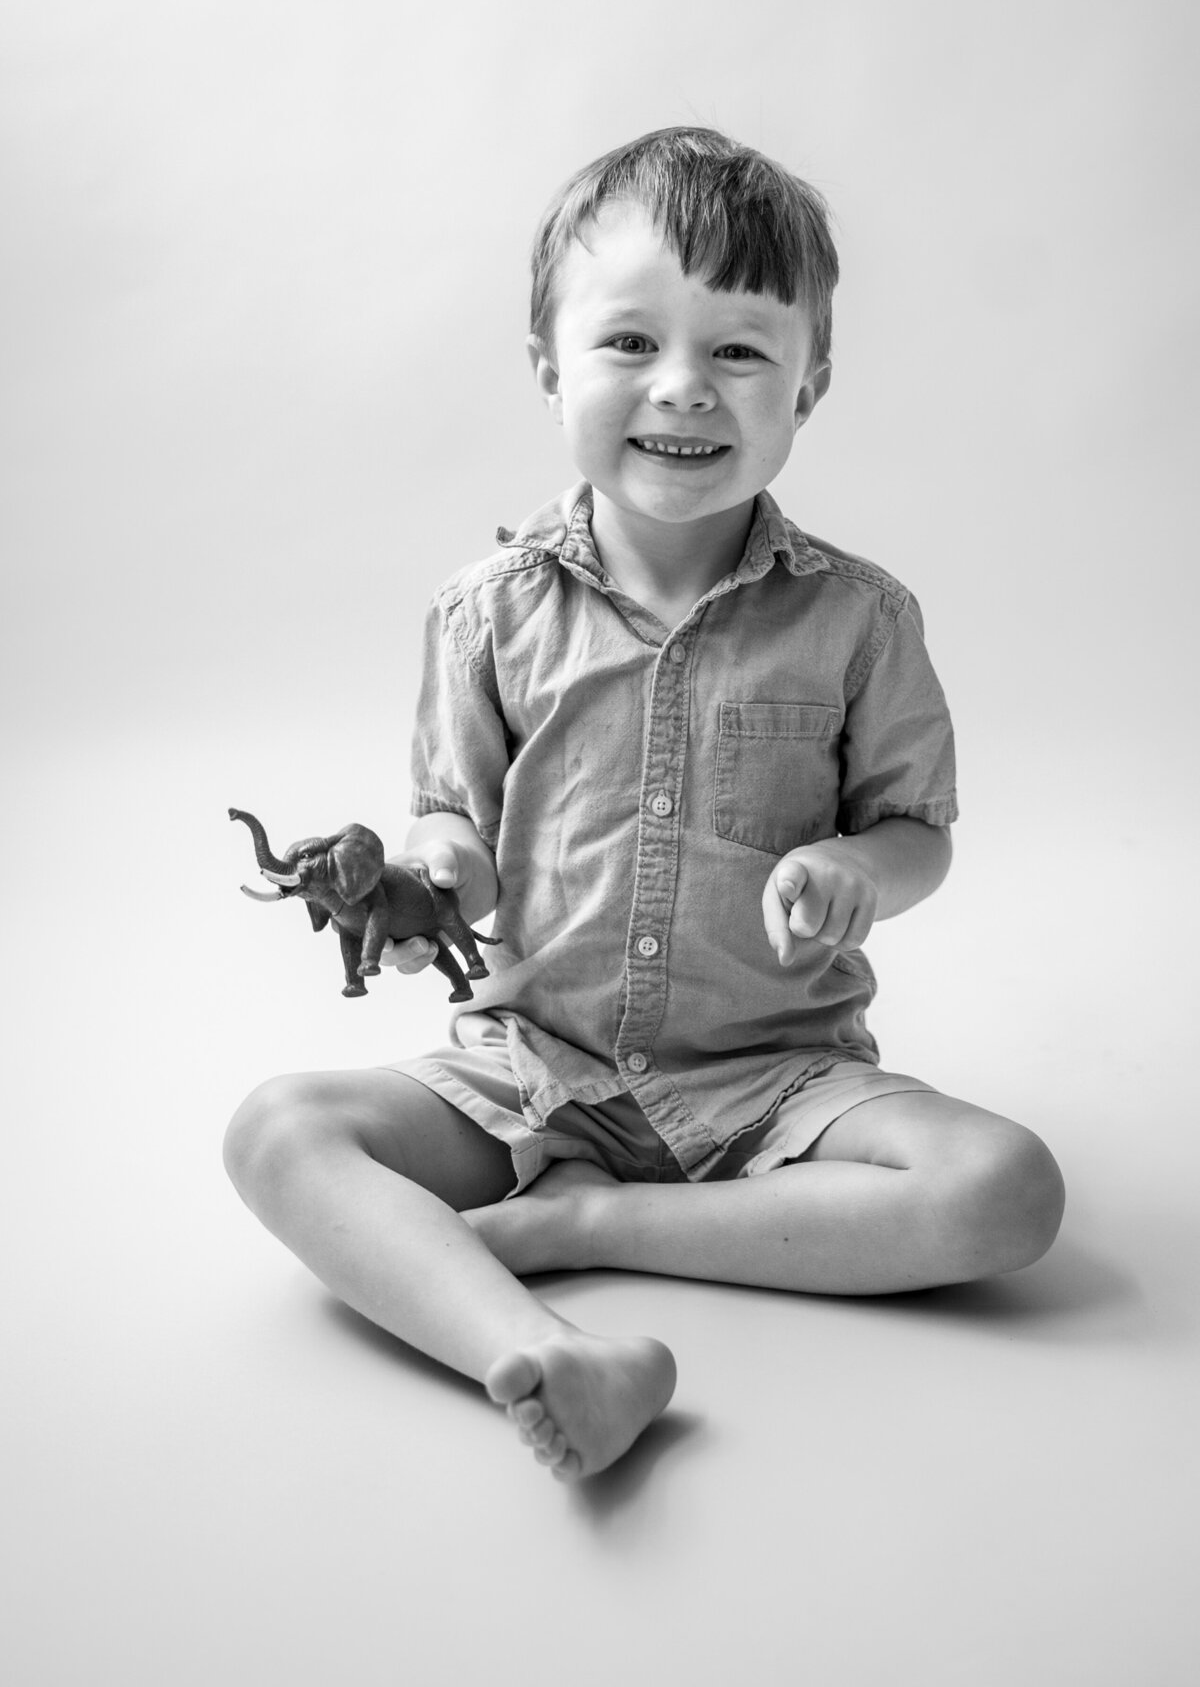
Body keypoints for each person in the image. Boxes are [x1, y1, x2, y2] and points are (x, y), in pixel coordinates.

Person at [223, 127, 1065, 1483]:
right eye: (629, 343)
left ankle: (587, 1228)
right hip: (537, 1065)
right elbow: (460, 834)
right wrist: (430, 876)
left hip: (776, 1079)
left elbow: (920, 834)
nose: (684, 387)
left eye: (739, 350)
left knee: (1009, 1190)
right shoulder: (483, 615)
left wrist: (861, 865)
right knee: (278, 1131)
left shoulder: (861, 620)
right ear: (551, 367)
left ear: (813, 382)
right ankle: (548, 1349)